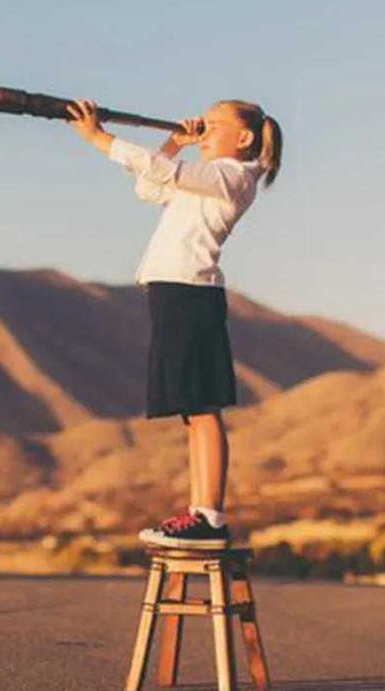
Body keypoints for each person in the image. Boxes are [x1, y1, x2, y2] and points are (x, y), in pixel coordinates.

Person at [64, 96, 282, 546]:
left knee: (203, 407)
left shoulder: (232, 175)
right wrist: (173, 143)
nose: (201, 130)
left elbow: (162, 173)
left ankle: (209, 514)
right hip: (175, 291)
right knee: (194, 408)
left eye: (212, 125)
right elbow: (149, 187)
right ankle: (202, 510)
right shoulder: (209, 178)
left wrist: (98, 138)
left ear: (243, 138)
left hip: (190, 293)